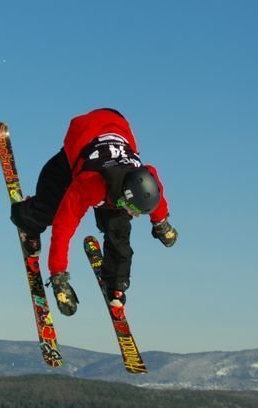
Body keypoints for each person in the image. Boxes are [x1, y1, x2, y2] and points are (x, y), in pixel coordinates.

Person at [10, 108, 178, 317]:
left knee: (119, 232)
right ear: (124, 195)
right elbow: (64, 228)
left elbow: (154, 193)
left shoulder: (144, 176)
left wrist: (161, 223)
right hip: (80, 142)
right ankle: (27, 222)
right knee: (49, 210)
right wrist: (59, 277)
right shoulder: (88, 185)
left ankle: (116, 283)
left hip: (115, 125)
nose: (134, 214)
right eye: (133, 209)